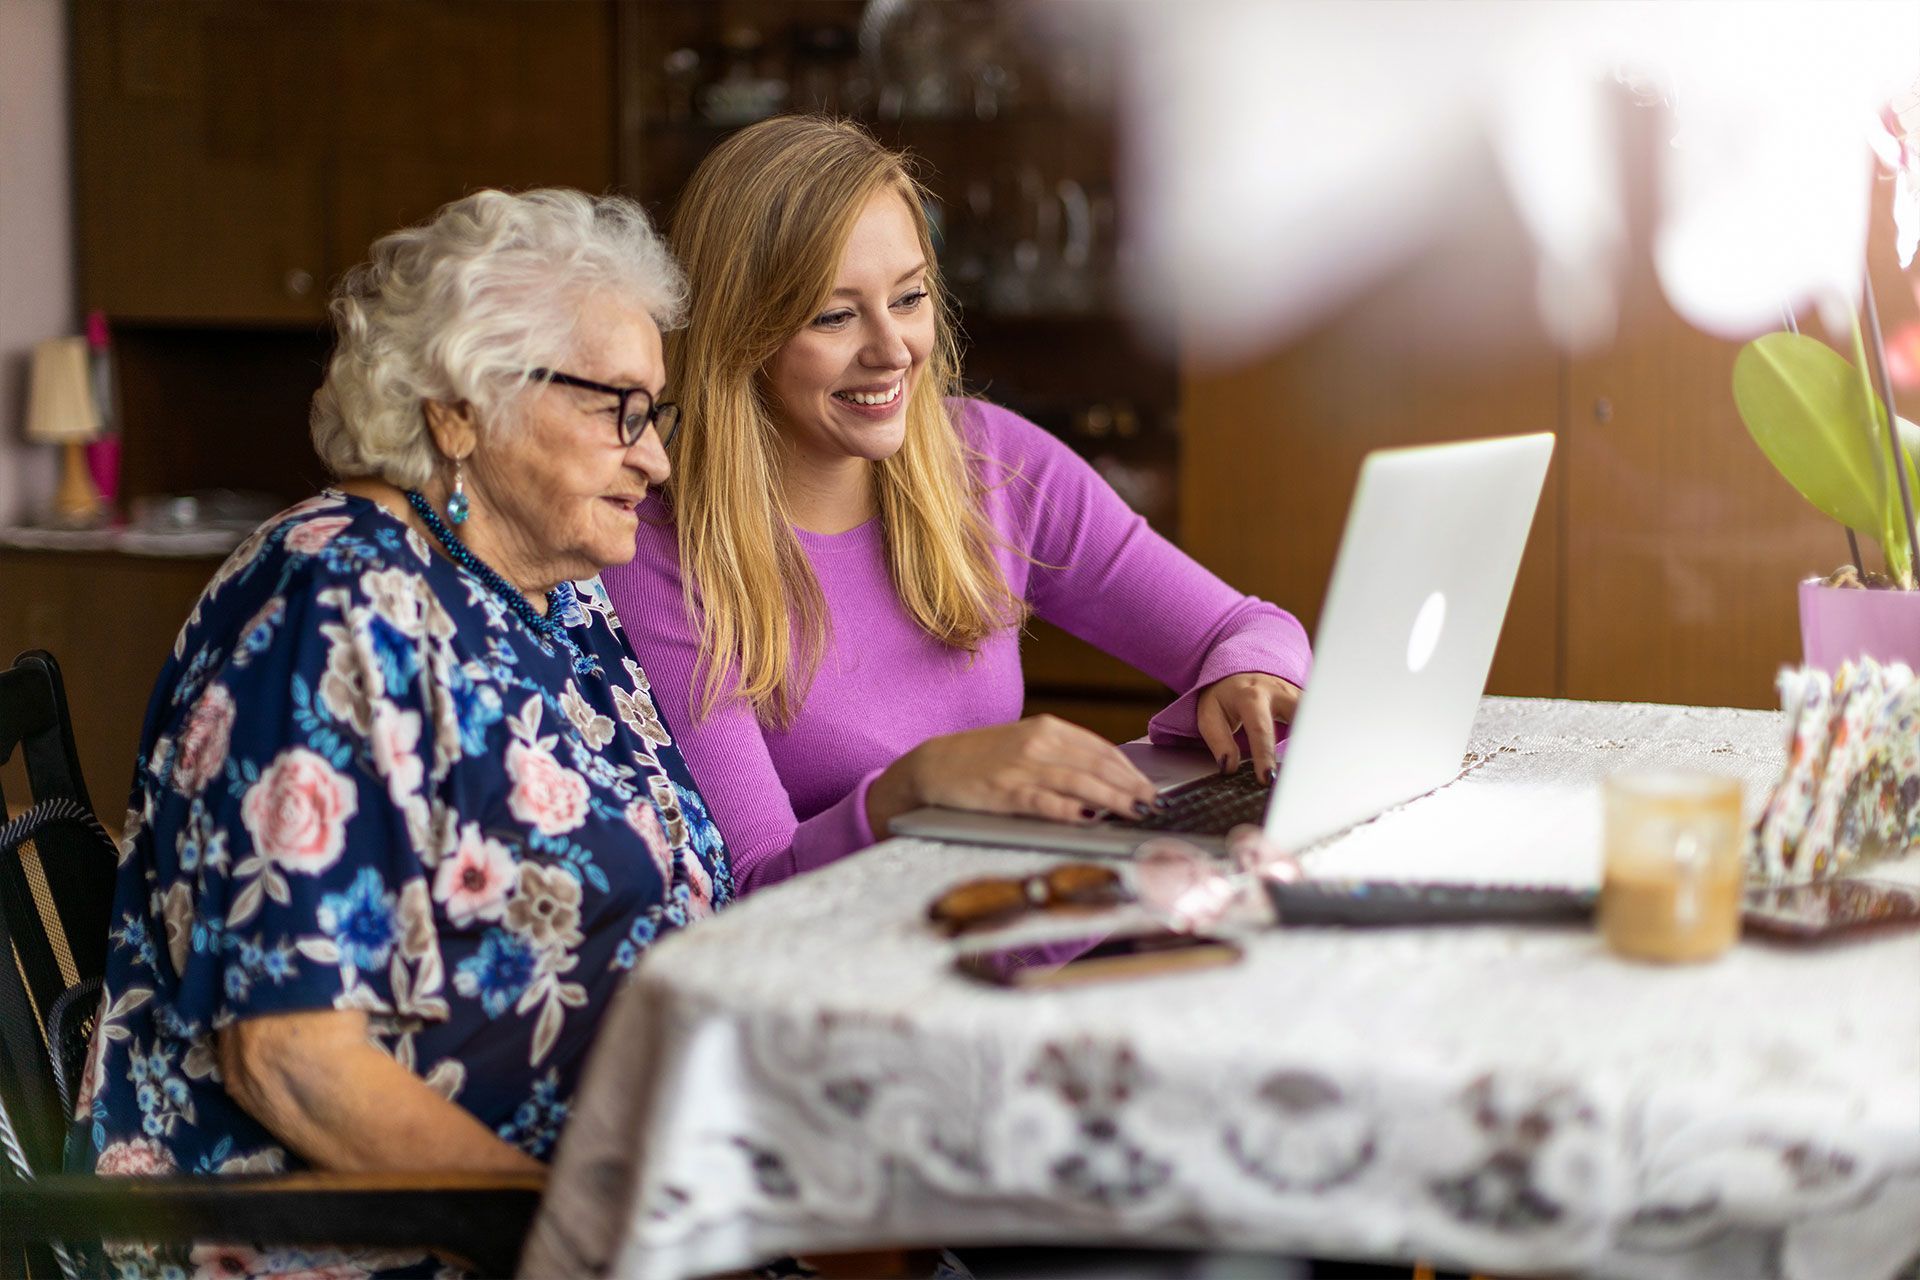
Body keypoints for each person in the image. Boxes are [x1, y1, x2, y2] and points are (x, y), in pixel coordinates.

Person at [72, 188, 729, 1277]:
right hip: (388, 1241)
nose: (653, 458)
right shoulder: (336, 605)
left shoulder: (550, 590)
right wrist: (571, 1231)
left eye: (653, 413)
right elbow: (293, 1058)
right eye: (619, 408)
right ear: (459, 407)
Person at [602, 116, 1311, 894]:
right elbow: (751, 887)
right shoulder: (656, 546)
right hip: (852, 978)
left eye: (908, 298)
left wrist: (1247, 676)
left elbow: (1246, 627)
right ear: (742, 336)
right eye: (834, 316)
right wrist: (914, 785)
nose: (893, 348)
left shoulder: (989, 459)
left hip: (1035, 922)